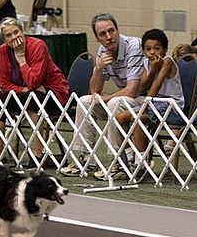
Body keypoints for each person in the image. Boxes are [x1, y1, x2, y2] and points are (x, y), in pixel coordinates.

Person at [60, 13, 145, 180]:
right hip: (126, 99)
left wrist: (105, 98)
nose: (109, 37)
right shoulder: (102, 50)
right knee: (85, 102)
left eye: (111, 31)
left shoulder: (134, 46)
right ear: (97, 38)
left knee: (115, 102)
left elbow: (132, 90)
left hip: (145, 99)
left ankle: (119, 161)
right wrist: (98, 68)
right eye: (103, 34)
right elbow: (94, 90)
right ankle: (86, 158)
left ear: (118, 30)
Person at [0, 17, 69, 167]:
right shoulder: (3, 51)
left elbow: (34, 81)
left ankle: (37, 156)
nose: (14, 37)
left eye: (16, 32)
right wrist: (23, 89)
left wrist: (21, 60)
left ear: (22, 31)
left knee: (35, 98)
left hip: (53, 94)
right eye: (9, 35)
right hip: (24, 93)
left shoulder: (38, 46)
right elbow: (4, 84)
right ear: (4, 39)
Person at [115, 29, 184, 182]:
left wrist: (146, 104)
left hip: (171, 106)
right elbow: (143, 87)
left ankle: (141, 165)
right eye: (148, 49)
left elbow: (155, 88)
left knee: (138, 119)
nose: (152, 52)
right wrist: (152, 69)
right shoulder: (147, 62)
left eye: (157, 48)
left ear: (165, 49)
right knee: (119, 118)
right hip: (155, 103)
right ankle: (130, 157)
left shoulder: (167, 61)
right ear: (143, 50)